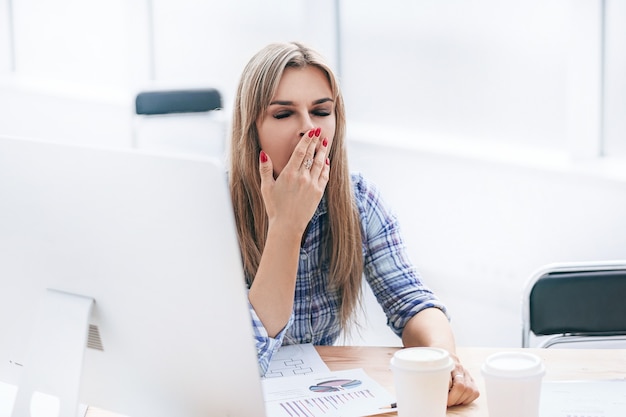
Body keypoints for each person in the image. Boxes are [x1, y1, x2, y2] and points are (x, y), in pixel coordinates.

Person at [228, 41, 479, 406]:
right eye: (283, 115)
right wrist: (287, 224)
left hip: (318, 397)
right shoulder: (215, 207)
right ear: (252, 128)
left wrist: (445, 359)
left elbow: (410, 301)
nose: (308, 129)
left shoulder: (357, 198)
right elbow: (246, 361)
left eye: (321, 111)